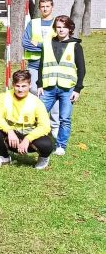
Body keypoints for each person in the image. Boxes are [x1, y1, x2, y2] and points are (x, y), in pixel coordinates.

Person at [39, 15, 85, 157]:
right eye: (58, 27)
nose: (61, 30)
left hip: (67, 89)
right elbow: (41, 65)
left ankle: (60, 145)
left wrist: (77, 89)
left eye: (64, 27)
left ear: (70, 28)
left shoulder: (75, 46)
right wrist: (39, 84)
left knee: (65, 119)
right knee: (39, 115)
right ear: (55, 28)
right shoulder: (47, 44)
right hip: (48, 87)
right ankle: (37, 140)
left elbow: (82, 69)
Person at [0, 68, 53, 170]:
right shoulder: (3, 97)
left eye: (24, 86)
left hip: (29, 136)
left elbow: (45, 126)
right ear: (13, 85)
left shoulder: (36, 102)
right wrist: (9, 131)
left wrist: (28, 139)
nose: (20, 89)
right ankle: (4, 157)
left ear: (30, 85)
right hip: (12, 136)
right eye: (17, 86)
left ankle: (43, 159)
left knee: (47, 144)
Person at [22, 0, 55, 92]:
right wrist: (48, 46)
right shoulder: (33, 23)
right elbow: (25, 42)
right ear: (39, 8)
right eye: (42, 6)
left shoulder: (58, 23)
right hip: (34, 64)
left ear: (52, 7)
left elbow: (58, 45)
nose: (45, 9)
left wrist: (38, 44)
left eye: (47, 6)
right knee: (34, 90)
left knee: (50, 92)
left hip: (52, 64)